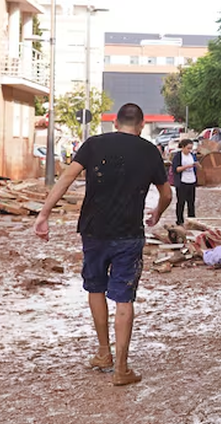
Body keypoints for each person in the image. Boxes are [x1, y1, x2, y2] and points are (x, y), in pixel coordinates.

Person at [33, 103, 171, 387]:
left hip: (94, 232)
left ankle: (103, 353)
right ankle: (122, 367)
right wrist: (157, 213)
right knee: (124, 298)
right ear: (142, 125)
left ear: (115, 123)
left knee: (95, 288)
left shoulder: (93, 145)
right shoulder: (150, 152)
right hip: (129, 234)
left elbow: (67, 179)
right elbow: (166, 193)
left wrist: (44, 214)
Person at [172, 139, 199, 225]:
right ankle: (180, 221)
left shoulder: (192, 155)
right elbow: (176, 169)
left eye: (191, 148)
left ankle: (192, 221)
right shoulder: (178, 156)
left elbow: (198, 167)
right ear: (183, 147)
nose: (189, 150)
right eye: (188, 148)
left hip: (192, 181)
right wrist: (187, 166)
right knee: (181, 202)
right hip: (182, 182)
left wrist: (198, 165)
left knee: (191, 203)